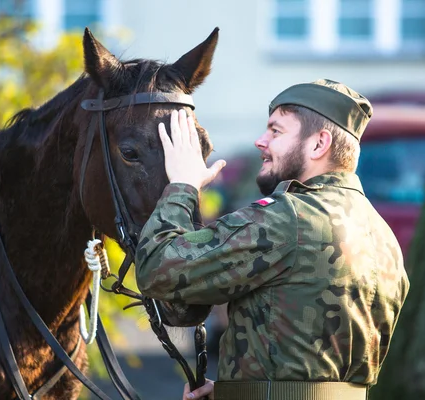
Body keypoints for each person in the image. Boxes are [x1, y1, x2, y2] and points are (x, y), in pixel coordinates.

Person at [134, 79, 410, 400]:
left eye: (276, 131)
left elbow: (158, 268)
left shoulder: (288, 217)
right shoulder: (381, 235)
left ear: (319, 144)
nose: (260, 141)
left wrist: (182, 184)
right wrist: (237, 391)